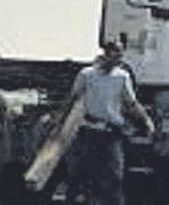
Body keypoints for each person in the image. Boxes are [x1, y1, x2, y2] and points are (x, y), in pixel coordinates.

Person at [63, 39, 154, 205]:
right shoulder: (87, 75)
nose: (118, 57)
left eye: (120, 54)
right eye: (115, 53)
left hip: (111, 134)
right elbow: (73, 99)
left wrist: (146, 121)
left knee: (114, 178)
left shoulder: (122, 77)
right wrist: (61, 123)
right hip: (89, 132)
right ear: (106, 54)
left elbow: (131, 103)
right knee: (79, 175)